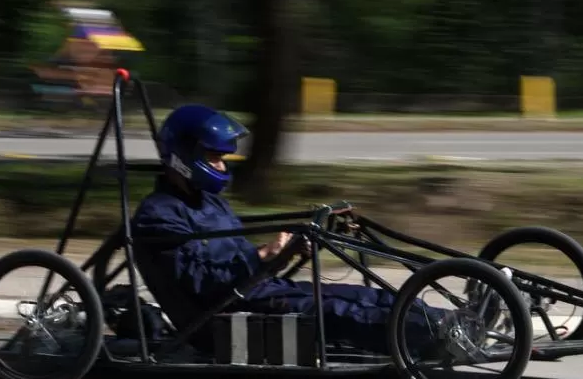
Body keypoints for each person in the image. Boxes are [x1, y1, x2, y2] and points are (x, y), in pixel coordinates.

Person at [129, 104, 448, 356]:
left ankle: (449, 321)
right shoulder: (157, 217)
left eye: (222, 159)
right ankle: (439, 337)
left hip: (256, 293)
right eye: (214, 159)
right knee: (340, 312)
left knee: (366, 296)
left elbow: (240, 266)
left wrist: (284, 253)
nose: (222, 167)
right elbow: (203, 283)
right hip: (218, 318)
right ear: (185, 157)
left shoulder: (209, 202)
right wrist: (263, 255)